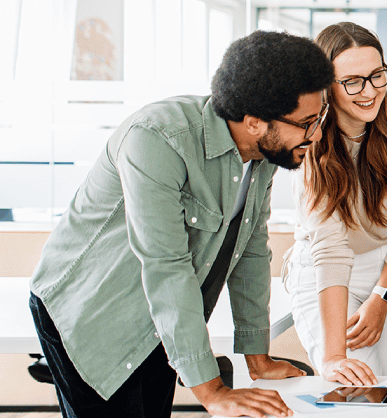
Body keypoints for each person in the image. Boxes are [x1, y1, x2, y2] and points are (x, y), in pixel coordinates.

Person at [28, 30, 334, 418]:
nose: (318, 133)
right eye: (307, 121)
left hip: (161, 317)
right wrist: (212, 393)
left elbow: (251, 248)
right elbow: (165, 265)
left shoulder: (263, 153)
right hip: (93, 310)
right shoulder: (157, 139)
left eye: (320, 116)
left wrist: (257, 356)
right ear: (255, 121)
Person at [284, 22, 387, 387]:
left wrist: (383, 295)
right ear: (325, 87)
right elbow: (331, 251)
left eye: (377, 75)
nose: (369, 92)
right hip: (330, 274)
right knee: (360, 390)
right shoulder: (309, 140)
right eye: (352, 81)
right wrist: (334, 358)